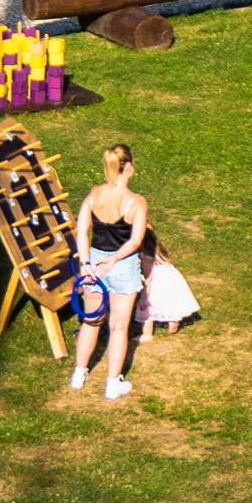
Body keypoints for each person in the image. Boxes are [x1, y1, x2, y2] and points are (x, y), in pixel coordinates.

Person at [69, 140, 158, 398]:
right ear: (128, 167)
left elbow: (82, 231)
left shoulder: (95, 194)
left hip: (93, 264)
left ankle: (79, 373)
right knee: (119, 327)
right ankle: (112, 383)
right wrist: (114, 259)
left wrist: (86, 264)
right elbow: (135, 240)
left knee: (90, 320)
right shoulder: (136, 202)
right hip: (122, 266)